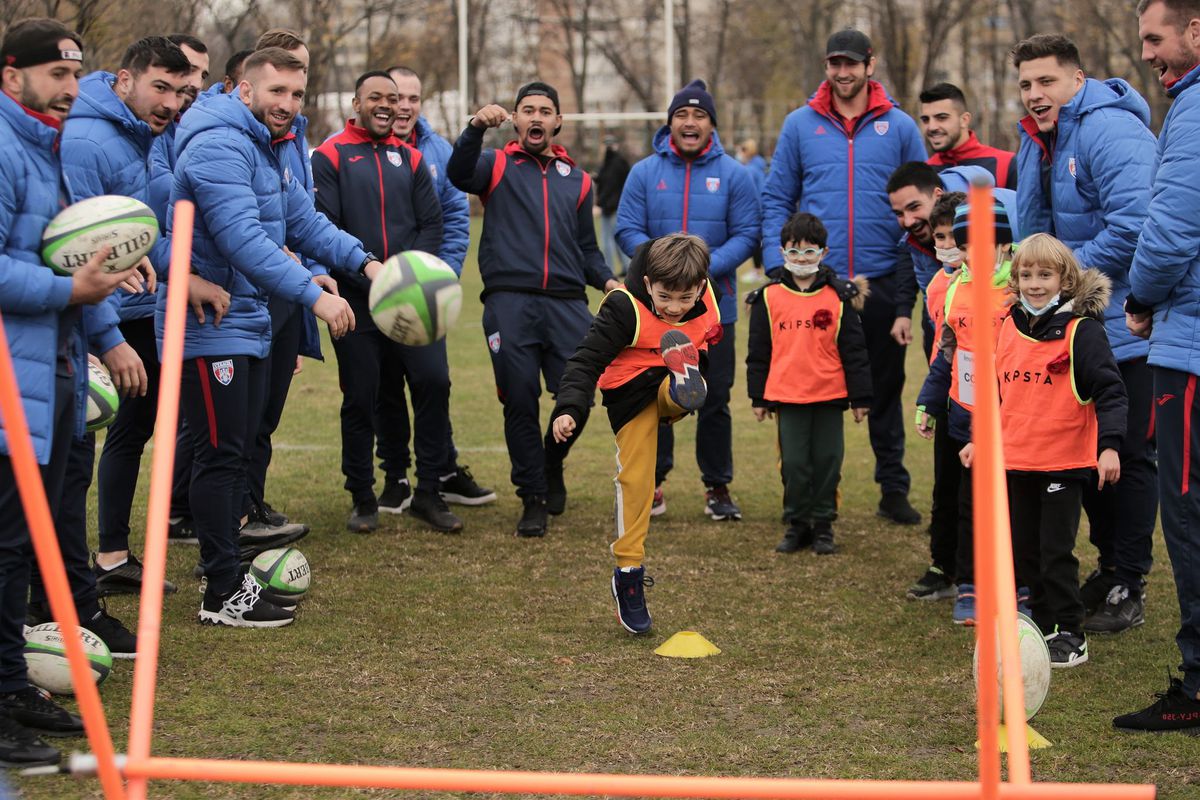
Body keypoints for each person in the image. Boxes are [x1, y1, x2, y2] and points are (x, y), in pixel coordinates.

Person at [164, 46, 377, 627]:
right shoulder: (218, 144)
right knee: (221, 454)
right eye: (276, 92)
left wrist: (365, 264)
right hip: (210, 326)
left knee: (238, 449)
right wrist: (316, 295)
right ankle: (220, 591)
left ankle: (227, 571)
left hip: (247, 318)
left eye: (297, 94)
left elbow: (301, 221)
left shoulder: (267, 144)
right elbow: (243, 240)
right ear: (243, 89)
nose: (287, 104)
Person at [0, 16, 138, 766]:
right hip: (7, 387)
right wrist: (69, 290)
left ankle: (14, 683)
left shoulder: (46, 147)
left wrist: (105, 330)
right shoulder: (1, 147)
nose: (70, 88)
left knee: (25, 542)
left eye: (76, 73)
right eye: (56, 73)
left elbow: (69, 257)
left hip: (48, 379)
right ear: (10, 75)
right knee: (3, 546)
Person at [1012, 33, 1159, 635]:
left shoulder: (1110, 131)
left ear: (1077, 79)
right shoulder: (1036, 141)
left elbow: (1137, 223)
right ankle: (1107, 567)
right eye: (1025, 84)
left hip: (1126, 329)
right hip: (1066, 330)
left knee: (1126, 456)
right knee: (1082, 455)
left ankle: (1129, 577)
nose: (1035, 94)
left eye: (1046, 81)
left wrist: (1062, 279)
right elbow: (1035, 229)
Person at [761, 28, 927, 526]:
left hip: (879, 281)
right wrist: (778, 259)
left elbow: (921, 201)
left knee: (885, 391)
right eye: (835, 63)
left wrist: (908, 278)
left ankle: (892, 488)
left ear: (870, 65)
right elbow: (775, 199)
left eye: (852, 63)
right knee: (806, 392)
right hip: (816, 286)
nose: (843, 72)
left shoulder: (898, 127)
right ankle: (805, 500)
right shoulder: (799, 125)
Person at [447, 81, 617, 538]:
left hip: (568, 306)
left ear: (558, 121)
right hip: (509, 303)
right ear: (517, 121)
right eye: (527, 110)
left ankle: (550, 462)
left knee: (577, 398)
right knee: (519, 397)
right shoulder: (496, 165)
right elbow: (458, 174)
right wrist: (474, 130)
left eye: (545, 110)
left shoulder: (579, 181)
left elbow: (587, 250)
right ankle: (533, 497)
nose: (536, 117)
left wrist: (609, 281)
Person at [69, 36, 194, 599]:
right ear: (124, 81)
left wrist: (183, 274)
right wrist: (108, 334)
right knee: (89, 444)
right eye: (160, 88)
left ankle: (107, 559)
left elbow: (140, 233)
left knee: (128, 428)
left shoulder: (140, 134)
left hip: (135, 308)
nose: (171, 102)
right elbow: (75, 248)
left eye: (182, 90)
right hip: (97, 318)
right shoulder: (89, 140)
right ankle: (92, 570)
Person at [970, 233, 1126, 668]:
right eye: (1026, 274)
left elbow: (1112, 392)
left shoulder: (1083, 332)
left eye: (1045, 274)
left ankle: (1072, 634)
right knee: (1025, 551)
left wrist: (1109, 447)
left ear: (1065, 279)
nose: (1034, 283)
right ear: (1015, 279)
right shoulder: (1006, 326)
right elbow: (993, 394)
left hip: (1065, 461)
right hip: (1016, 460)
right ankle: (1041, 626)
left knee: (1056, 551)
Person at [550, 233, 717, 633]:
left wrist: (699, 367)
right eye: (665, 298)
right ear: (647, 285)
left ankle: (683, 384)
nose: (675, 309)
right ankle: (628, 572)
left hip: (669, 385)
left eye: (685, 298)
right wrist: (569, 407)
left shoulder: (706, 296)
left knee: (685, 390)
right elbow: (586, 361)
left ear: (700, 286)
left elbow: (707, 338)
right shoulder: (623, 307)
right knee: (637, 478)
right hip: (630, 394)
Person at [311, 70, 455, 533]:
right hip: (355, 302)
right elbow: (324, 226)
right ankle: (365, 495)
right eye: (376, 97)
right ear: (356, 102)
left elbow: (432, 224)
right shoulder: (331, 154)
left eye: (394, 99)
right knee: (364, 396)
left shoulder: (410, 158)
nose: (388, 105)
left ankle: (429, 491)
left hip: (412, 298)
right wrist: (368, 272)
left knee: (434, 382)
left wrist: (407, 275)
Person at [615, 78, 760, 521]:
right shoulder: (643, 173)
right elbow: (626, 229)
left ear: (711, 124)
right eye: (682, 114)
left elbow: (748, 234)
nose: (690, 122)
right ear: (670, 123)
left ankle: (717, 486)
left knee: (714, 399)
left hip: (718, 310)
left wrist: (699, 271)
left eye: (699, 115)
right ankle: (653, 484)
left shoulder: (735, 174)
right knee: (655, 396)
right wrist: (663, 270)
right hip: (653, 314)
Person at [1117, 0, 1200, 734]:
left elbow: (1171, 225)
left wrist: (1139, 298)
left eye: (1155, 36)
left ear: (1196, 31)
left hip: (1191, 352)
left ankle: (1199, 687)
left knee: (1190, 513)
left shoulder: (1195, 110)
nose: (1147, 53)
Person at [369, 64, 494, 516]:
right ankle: (395, 477)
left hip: (425, 294)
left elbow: (457, 221)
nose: (403, 107)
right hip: (374, 292)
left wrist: (439, 275)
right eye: (395, 97)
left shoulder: (438, 150)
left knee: (433, 382)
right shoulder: (359, 149)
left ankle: (435, 478)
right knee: (384, 387)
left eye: (412, 99)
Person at [914, 199, 1018, 625]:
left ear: (1004, 245)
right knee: (969, 504)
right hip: (965, 416)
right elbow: (945, 353)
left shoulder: (1018, 289)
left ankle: (1016, 584)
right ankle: (970, 585)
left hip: (1012, 419)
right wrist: (929, 401)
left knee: (1012, 504)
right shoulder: (955, 288)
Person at [745, 213, 871, 555]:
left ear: (824, 253)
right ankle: (797, 523)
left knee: (828, 461)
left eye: (809, 252)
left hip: (830, 394)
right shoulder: (768, 298)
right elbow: (758, 352)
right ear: (782, 252)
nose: (802, 260)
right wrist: (758, 397)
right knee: (796, 464)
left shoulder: (839, 296)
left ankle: (824, 524)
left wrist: (861, 398)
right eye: (794, 252)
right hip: (787, 396)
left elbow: (855, 350)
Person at [907, 191, 966, 602]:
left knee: (977, 490)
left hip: (987, 403)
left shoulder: (1002, 281)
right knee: (945, 487)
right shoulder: (936, 284)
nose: (945, 246)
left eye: (954, 238)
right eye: (940, 238)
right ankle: (943, 563)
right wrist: (931, 396)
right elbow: (941, 346)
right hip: (947, 395)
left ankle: (981, 570)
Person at [887, 160, 1002, 360]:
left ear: (937, 195)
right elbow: (935, 303)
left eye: (914, 207)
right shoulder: (916, 241)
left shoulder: (992, 213)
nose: (908, 221)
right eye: (899, 214)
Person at [919, 82, 1017, 188]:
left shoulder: (1006, 163)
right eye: (925, 120)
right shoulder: (923, 172)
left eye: (942, 117)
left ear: (964, 120)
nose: (932, 127)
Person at [596, 136, 630, 277]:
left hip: (613, 207)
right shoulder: (610, 163)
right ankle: (625, 267)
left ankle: (610, 269)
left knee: (608, 241)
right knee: (615, 241)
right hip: (612, 206)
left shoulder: (616, 163)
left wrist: (603, 203)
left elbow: (612, 186)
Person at [736, 138, 768, 284]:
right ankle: (758, 270)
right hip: (762, 210)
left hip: (755, 211)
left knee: (755, 242)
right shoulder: (759, 167)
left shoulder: (749, 170)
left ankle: (756, 271)